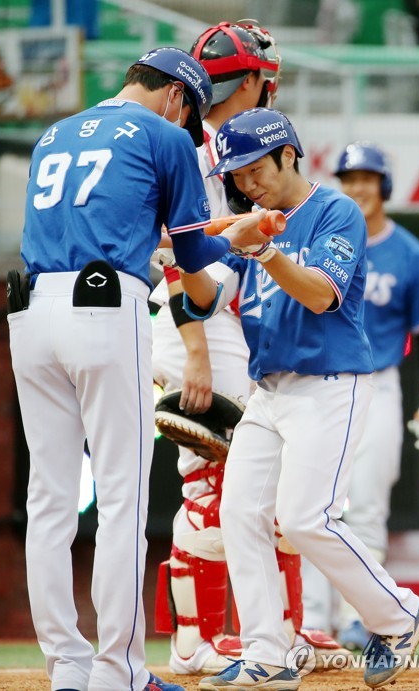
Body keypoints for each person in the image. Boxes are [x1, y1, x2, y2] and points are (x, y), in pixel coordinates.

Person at [6, 46, 271, 691]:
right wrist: (244, 230)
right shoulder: (163, 133)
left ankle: (65, 670)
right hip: (104, 310)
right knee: (122, 497)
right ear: (178, 97)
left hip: (30, 314)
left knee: (50, 500)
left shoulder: (54, 132)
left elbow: (101, 217)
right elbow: (192, 249)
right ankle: (118, 671)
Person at [178, 107, 419, 691]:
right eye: (235, 176)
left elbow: (321, 295)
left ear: (287, 154)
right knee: (240, 513)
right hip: (268, 389)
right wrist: (177, 258)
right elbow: (208, 298)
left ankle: (398, 615)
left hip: (329, 383)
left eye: (253, 169)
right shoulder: (250, 220)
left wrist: (261, 250)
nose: (245, 184)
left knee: (303, 517)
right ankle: (268, 653)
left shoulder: (334, 210)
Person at [151, 21, 347, 677]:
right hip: (195, 324)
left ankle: (278, 630)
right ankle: (194, 640)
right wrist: (198, 352)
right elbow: (185, 261)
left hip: (213, 321)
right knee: (217, 487)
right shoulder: (201, 149)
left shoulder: (209, 143)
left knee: (265, 490)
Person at [301, 141, 419, 650]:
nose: (359, 187)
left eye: (367, 178)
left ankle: (362, 619)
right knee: (315, 506)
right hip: (321, 380)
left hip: (380, 383)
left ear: (384, 185)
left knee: (365, 506)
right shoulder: (326, 237)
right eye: (350, 178)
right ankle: (313, 618)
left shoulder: (410, 253)